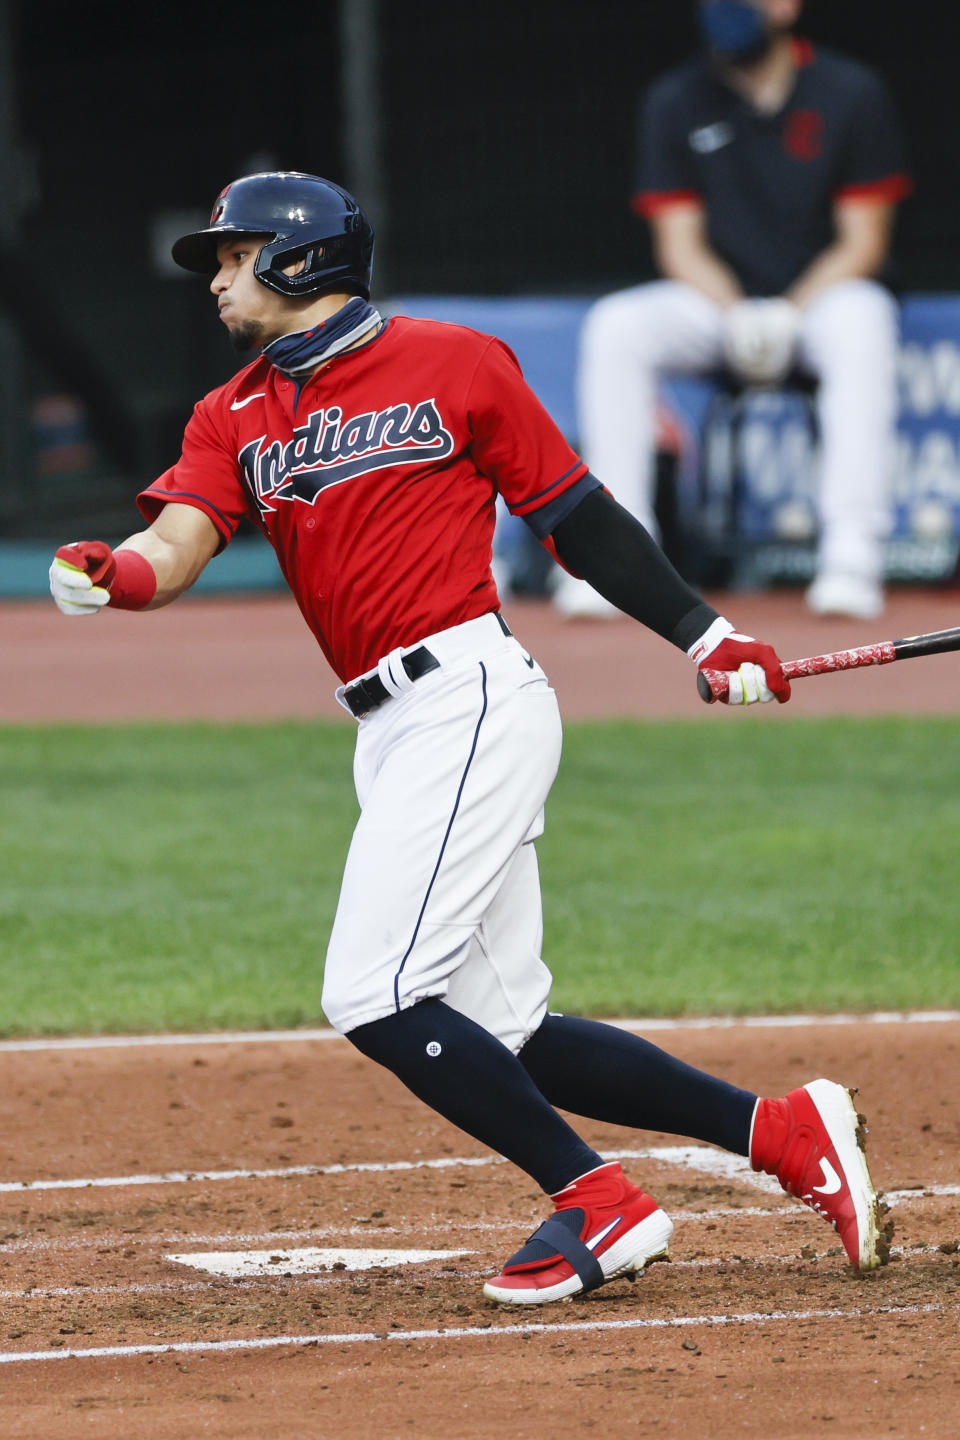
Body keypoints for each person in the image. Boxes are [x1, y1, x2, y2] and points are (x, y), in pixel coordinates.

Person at [49, 171, 890, 1305]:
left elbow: (576, 513)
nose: (215, 276)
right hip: (389, 730)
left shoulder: (455, 362)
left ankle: (597, 1199)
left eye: (233, 254)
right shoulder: (234, 411)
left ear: (302, 257)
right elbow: (180, 539)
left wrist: (709, 636)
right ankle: (785, 1133)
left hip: (471, 697)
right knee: (508, 1027)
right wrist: (118, 573)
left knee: (377, 992)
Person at [564, 0, 912, 622]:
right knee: (616, 325)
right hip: (717, 308)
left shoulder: (850, 91)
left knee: (865, 316)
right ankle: (616, 560)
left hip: (819, 306)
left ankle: (851, 556)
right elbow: (678, 245)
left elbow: (865, 241)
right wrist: (740, 315)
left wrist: (787, 312)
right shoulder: (675, 99)